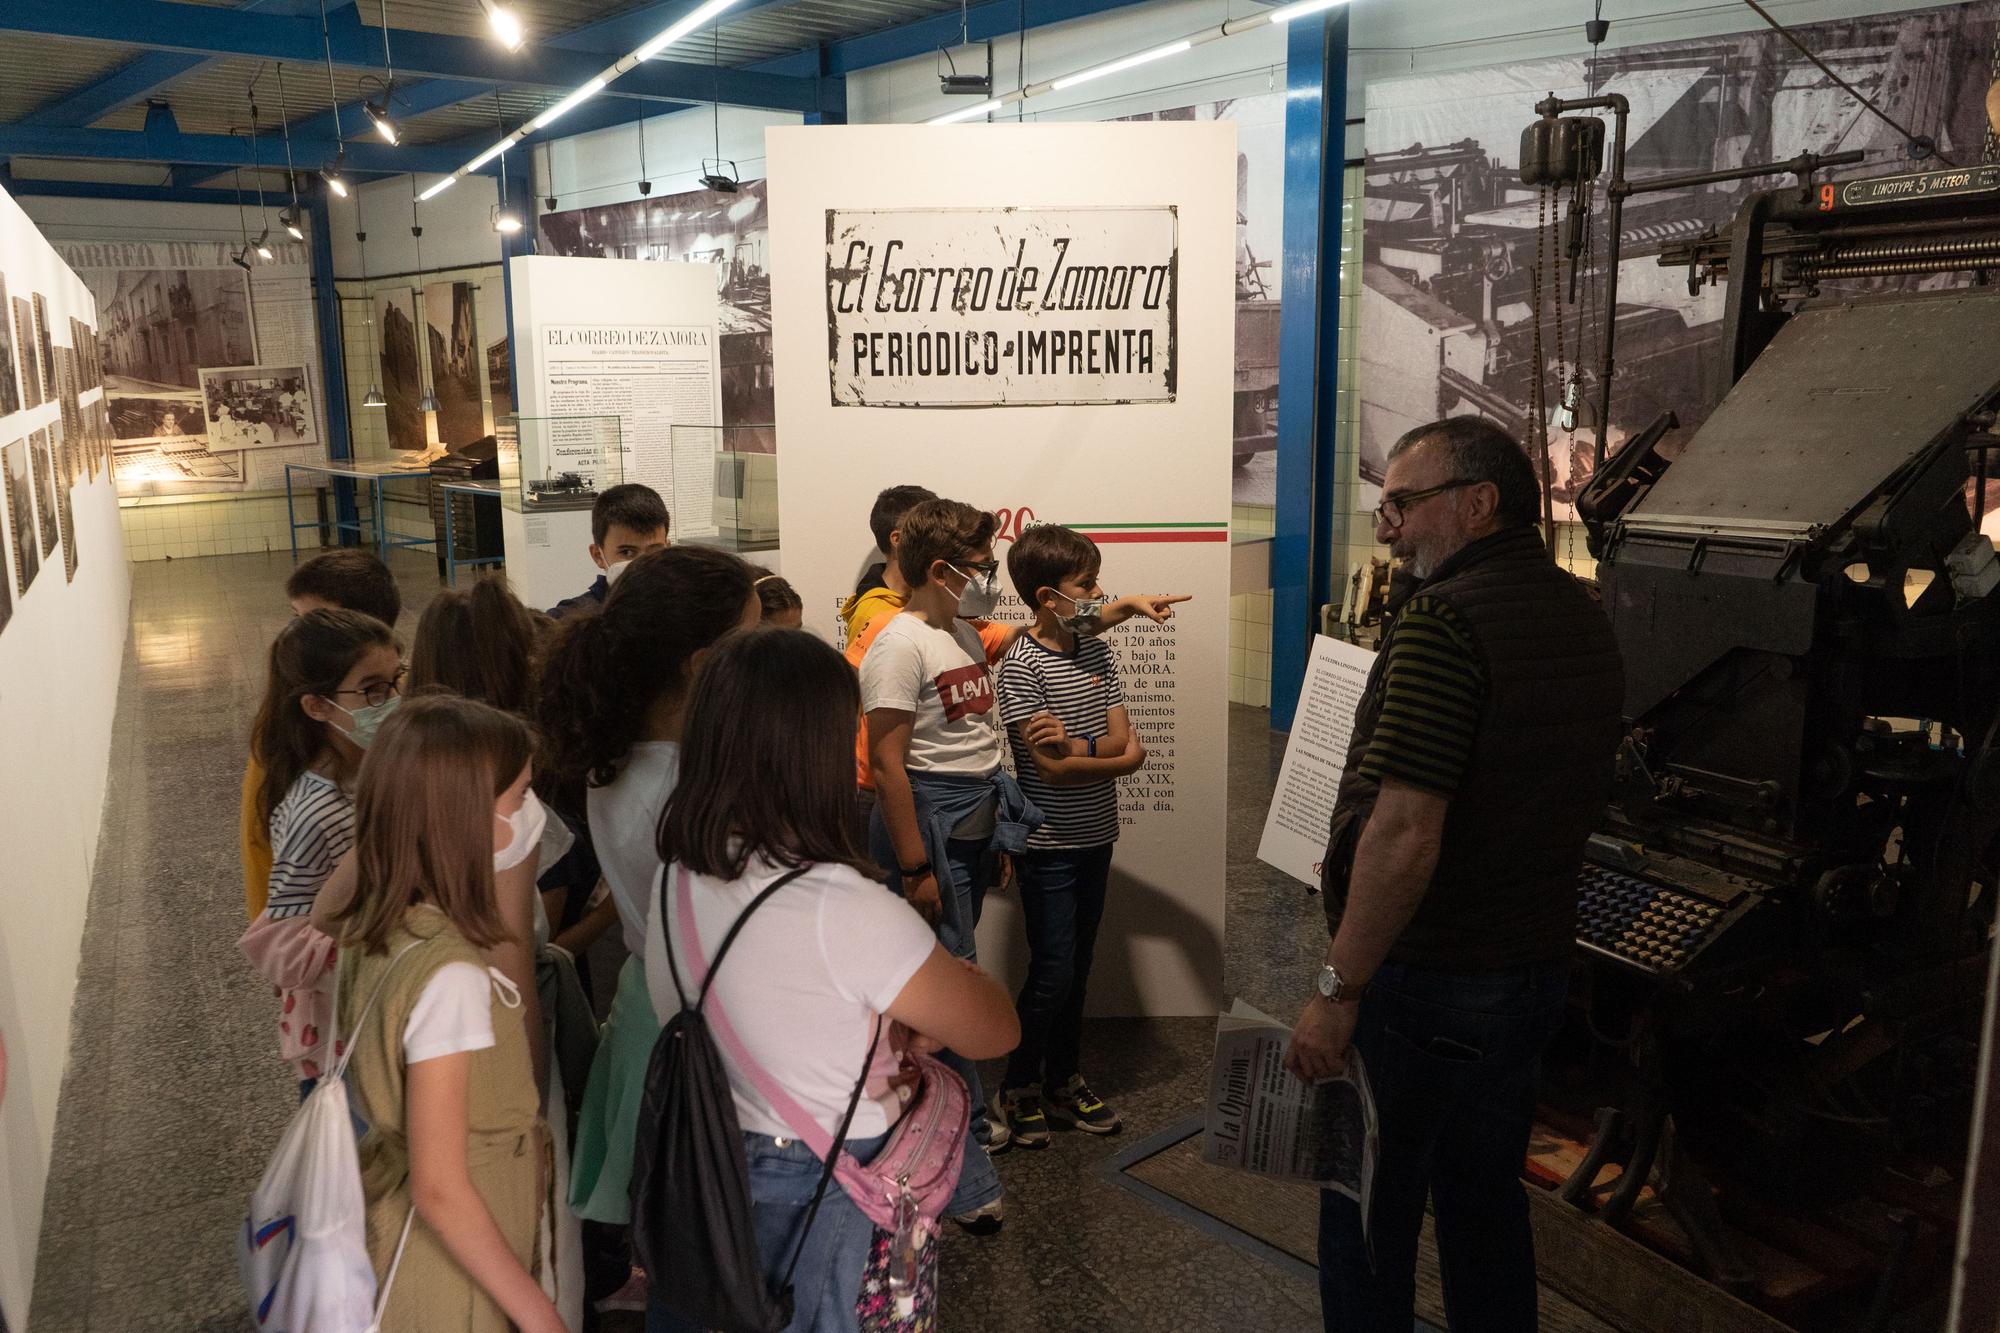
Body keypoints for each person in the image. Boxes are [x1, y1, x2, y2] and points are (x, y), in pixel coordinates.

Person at [1287, 417, 1624, 1333]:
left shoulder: (1445, 620)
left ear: (1478, 505)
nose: (1386, 526)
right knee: (1483, 1204)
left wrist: (1337, 987)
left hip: (1428, 976)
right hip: (1527, 969)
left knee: (1365, 1208)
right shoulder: (1580, 611)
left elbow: (1405, 832)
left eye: (1403, 503)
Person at [645, 627, 1020, 1332]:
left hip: (703, 1156)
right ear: (812, 748)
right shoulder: (841, 905)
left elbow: (775, 1001)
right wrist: (928, 999)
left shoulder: (678, 870)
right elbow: (995, 1026)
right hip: (821, 1179)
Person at [537, 546, 759, 1238]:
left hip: (652, 1003)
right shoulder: (685, 790)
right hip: (704, 1026)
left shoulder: (626, 756)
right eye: (750, 645)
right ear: (701, 664)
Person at [325, 694, 565, 1333]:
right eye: (519, 800)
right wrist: (542, 1317)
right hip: (448, 1277)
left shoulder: (376, 921)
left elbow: (325, 906)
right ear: (471, 822)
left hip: (399, 1221)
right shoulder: (453, 977)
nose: (528, 814)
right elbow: (440, 1186)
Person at [994, 524, 1188, 1146]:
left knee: (1077, 968)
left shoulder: (1092, 647)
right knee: (1052, 970)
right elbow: (1056, 767)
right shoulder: (1021, 667)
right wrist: (1109, 754)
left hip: (1096, 836)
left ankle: (1062, 1078)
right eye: (1088, 586)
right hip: (1049, 846)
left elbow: (1124, 743)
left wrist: (1086, 749)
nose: (1099, 593)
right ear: (1049, 596)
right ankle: (1019, 1083)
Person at [238, 608, 402, 1085]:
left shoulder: (375, 767)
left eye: (396, 681)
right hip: (344, 1035)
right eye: (373, 689)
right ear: (317, 707)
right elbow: (287, 944)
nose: (392, 699)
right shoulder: (316, 809)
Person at [242, 549, 403, 919]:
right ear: (315, 706)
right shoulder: (284, 740)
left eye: (312, 621)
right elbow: (263, 850)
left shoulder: (392, 708)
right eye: (295, 620)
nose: (298, 636)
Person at [546, 483, 672, 621]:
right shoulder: (569, 621)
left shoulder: (686, 609)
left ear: (668, 549)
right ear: (598, 555)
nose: (642, 564)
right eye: (627, 552)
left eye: (654, 551)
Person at [839, 484, 935, 644]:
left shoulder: (931, 595)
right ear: (898, 540)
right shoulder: (871, 615)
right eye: (931, 530)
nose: (943, 540)